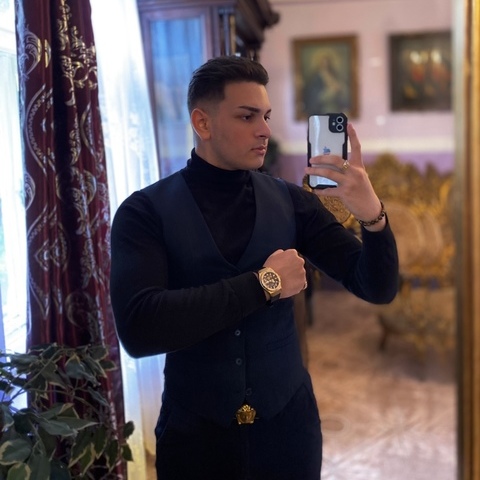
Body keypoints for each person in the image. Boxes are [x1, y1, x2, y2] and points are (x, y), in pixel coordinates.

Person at [110, 55, 399, 480]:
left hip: (290, 433)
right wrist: (266, 283)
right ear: (203, 123)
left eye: (266, 116)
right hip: (195, 441)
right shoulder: (143, 212)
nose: (264, 130)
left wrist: (372, 214)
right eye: (247, 116)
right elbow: (139, 329)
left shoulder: (292, 201)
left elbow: (376, 286)